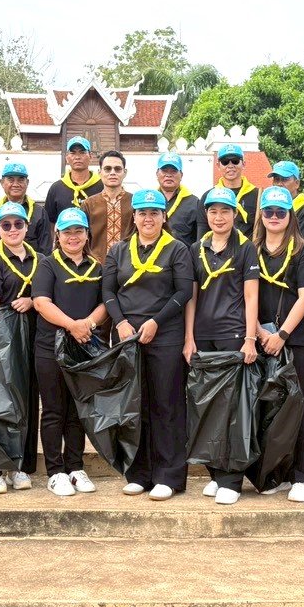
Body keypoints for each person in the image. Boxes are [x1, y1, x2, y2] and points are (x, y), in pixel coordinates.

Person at [103, 188, 195, 501]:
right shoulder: (118, 250)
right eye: (142, 213)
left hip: (165, 335)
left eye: (154, 213)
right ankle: (139, 473)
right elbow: (108, 291)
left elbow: (183, 292)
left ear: (163, 216)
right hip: (128, 336)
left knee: (166, 404)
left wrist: (156, 321)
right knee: (135, 405)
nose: (148, 218)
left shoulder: (177, 249)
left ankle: (169, 475)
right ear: (134, 216)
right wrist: (120, 322)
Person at [185, 187, 261, 505]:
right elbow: (191, 297)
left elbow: (251, 296)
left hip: (233, 335)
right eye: (213, 211)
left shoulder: (245, 248)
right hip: (203, 336)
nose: (219, 217)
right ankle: (216, 473)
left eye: (225, 211)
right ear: (206, 215)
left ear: (234, 215)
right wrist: (189, 337)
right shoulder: (195, 249)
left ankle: (232, 479)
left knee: (233, 409)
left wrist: (250, 338)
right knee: (206, 407)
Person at [252, 185, 304, 503]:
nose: (274, 217)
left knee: (302, 407)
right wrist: (258, 332)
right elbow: (245, 294)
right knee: (270, 409)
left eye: (281, 212)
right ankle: (276, 473)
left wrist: (281, 335)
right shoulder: (252, 249)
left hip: (295, 340)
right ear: (261, 215)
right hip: (261, 339)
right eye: (269, 211)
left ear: (290, 216)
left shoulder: (302, 250)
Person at [32, 207, 106, 497]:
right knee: (53, 410)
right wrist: (71, 325)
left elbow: (105, 303)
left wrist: (87, 325)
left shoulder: (97, 267)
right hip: (50, 347)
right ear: (58, 235)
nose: (72, 237)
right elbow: (41, 302)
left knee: (78, 410)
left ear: (87, 234)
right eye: (67, 232)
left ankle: (75, 467)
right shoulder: (48, 265)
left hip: (83, 347)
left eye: (78, 231)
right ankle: (56, 472)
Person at [0, 200, 42, 491]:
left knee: (27, 400)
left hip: (33, 337)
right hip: (2, 340)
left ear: (27, 227)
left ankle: (20, 466)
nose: (13, 229)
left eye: (18, 224)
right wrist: (7, 343)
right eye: (6, 225)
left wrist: (31, 301)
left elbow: (45, 295)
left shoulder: (40, 259)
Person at [82, 150, 133, 260]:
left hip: (129, 264)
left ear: (125, 172)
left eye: (117, 169)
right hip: (97, 265)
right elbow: (82, 238)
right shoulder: (89, 204)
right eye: (107, 169)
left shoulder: (135, 202)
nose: (112, 173)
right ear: (100, 172)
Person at [0, 160, 52, 253]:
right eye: (11, 180)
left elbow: (45, 249)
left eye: (20, 180)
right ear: (2, 182)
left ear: (27, 182)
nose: (16, 184)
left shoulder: (39, 212)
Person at [43, 136, 102, 221]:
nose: (77, 157)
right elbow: (50, 222)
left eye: (82, 152)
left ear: (91, 156)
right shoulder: (56, 188)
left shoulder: (102, 186)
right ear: (67, 157)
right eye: (73, 153)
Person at [157, 152, 204, 246]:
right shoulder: (150, 201)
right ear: (157, 174)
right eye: (164, 171)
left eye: (173, 171)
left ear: (181, 175)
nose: (168, 175)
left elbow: (200, 239)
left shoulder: (194, 203)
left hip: (184, 254)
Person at [215, 143, 260, 234]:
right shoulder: (210, 196)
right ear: (218, 166)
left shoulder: (258, 195)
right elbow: (202, 233)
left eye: (235, 161)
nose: (230, 165)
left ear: (243, 164)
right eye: (225, 162)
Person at [269, 161, 304, 240]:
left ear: (297, 183)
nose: (279, 184)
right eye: (276, 179)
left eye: (284, 179)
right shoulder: (268, 207)